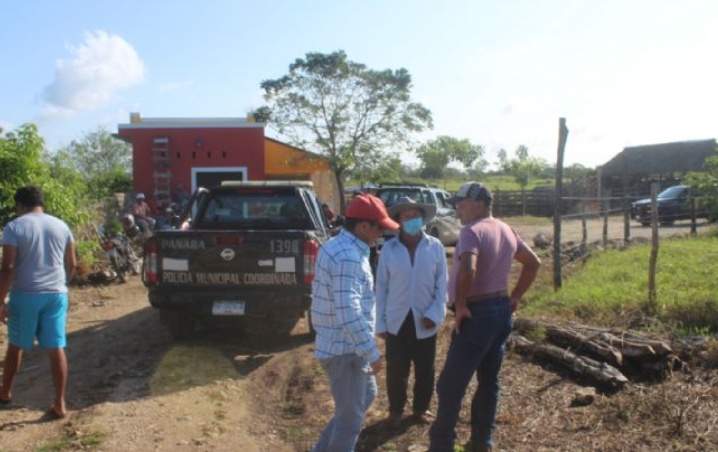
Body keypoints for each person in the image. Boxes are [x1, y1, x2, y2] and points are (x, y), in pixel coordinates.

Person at [429, 182, 541, 452]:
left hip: (477, 314)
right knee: (488, 380)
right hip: (500, 311)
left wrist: (462, 305)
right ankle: (481, 442)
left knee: (450, 385)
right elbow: (533, 262)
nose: (458, 207)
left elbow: (468, 268)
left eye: (463, 203)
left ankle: (442, 445)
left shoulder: (471, 231)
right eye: (457, 203)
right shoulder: (505, 228)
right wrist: (514, 298)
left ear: (480, 204)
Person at [310, 193, 400, 452]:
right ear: (362, 227)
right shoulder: (349, 257)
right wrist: (371, 352)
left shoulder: (339, 246)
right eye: (378, 227)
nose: (381, 233)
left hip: (345, 345)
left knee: (366, 396)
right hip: (345, 350)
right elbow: (348, 311)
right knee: (350, 421)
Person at [0, 186, 76, 419]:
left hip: (26, 295)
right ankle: (60, 403)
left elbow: (8, 267)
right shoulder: (61, 226)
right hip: (56, 295)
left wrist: (0, 299)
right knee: (56, 347)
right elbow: (72, 263)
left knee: (17, 345)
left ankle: (4, 393)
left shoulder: (14, 227)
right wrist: (61, 285)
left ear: (20, 205)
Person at [375, 196, 447, 426]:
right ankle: (396, 410)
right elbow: (381, 288)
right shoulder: (389, 249)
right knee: (396, 369)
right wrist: (381, 323)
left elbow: (442, 286)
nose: (411, 220)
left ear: (422, 219)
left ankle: (421, 408)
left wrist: (434, 315)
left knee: (425, 369)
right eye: (406, 217)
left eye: (415, 216)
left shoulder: (435, 247)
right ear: (398, 221)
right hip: (397, 319)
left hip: (425, 319)